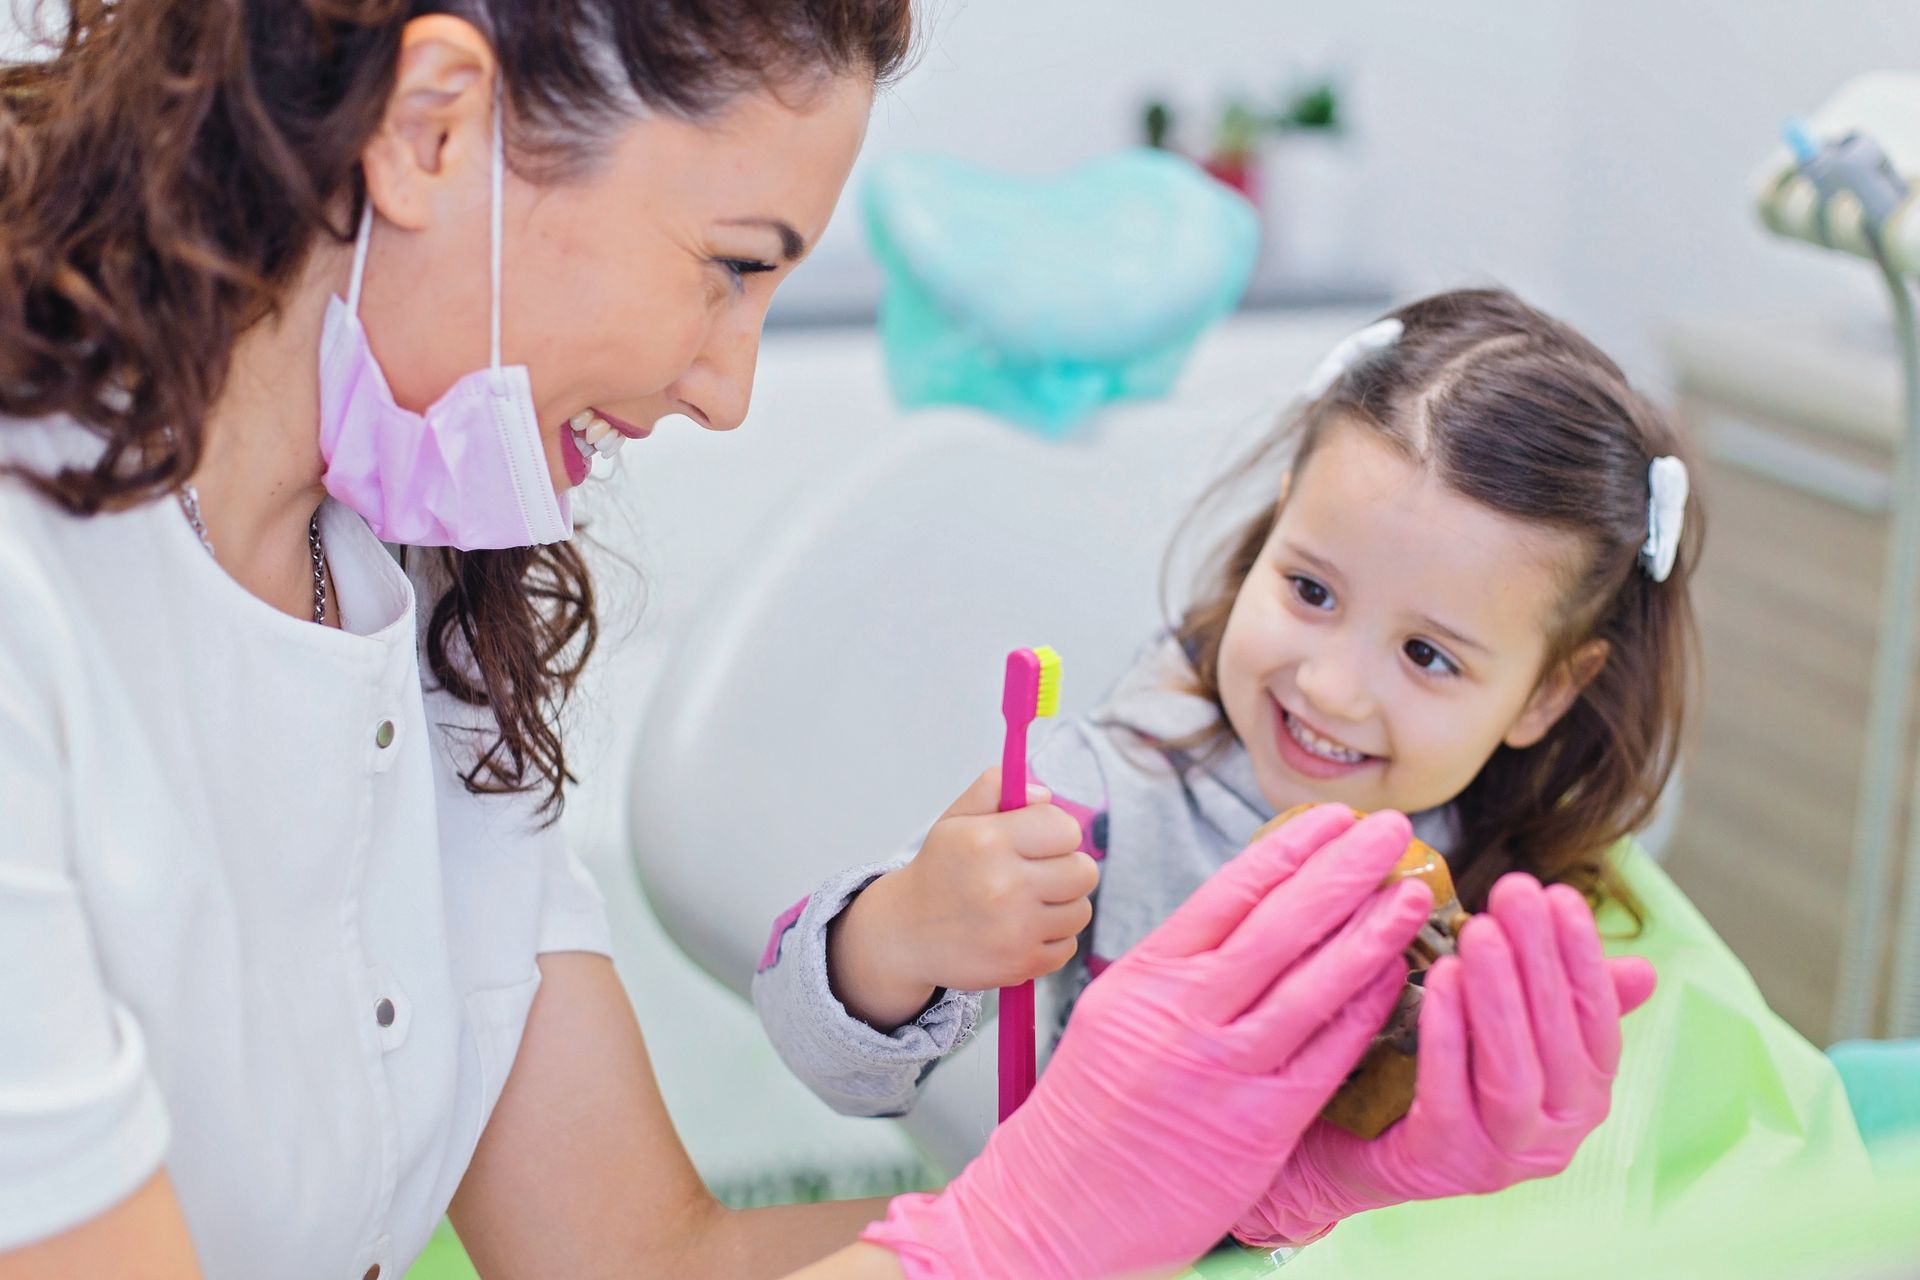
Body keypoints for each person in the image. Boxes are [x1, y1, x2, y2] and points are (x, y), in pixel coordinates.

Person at [756, 288, 1871, 1260]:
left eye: (1427, 654)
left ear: (1546, 693)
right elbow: (825, 1055)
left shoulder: (1520, 865)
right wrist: (901, 931)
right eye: (1312, 590)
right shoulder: (1095, 799)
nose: (1332, 686)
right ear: (1275, 520)